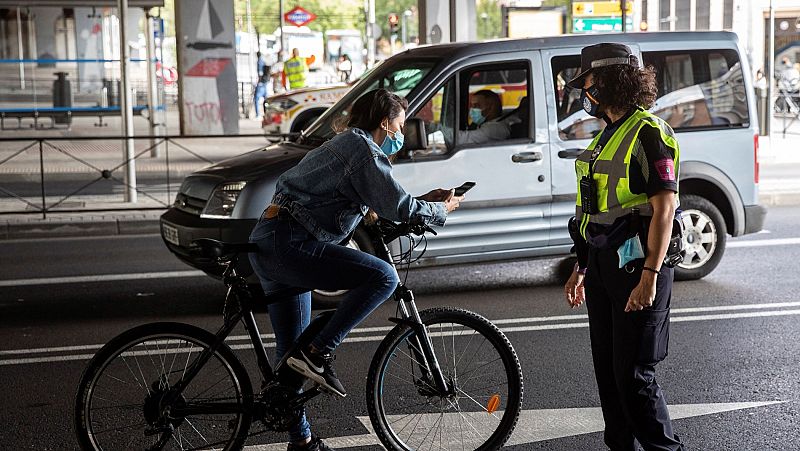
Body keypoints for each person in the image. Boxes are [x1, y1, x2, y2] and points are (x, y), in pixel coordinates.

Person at [248, 88, 463, 451]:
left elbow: (383, 207)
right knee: (383, 277)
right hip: (290, 245)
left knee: (291, 360)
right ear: (385, 122)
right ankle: (320, 351)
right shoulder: (364, 150)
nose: (401, 132)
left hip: (272, 241)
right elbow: (398, 206)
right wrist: (442, 210)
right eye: (400, 124)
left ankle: (301, 441)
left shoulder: (346, 143)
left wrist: (423, 202)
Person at [563, 43, 685, 451]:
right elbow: (594, 210)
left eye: (590, 82)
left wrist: (651, 274)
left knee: (634, 377)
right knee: (610, 378)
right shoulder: (606, 136)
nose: (586, 92)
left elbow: (664, 207)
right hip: (602, 266)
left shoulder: (649, 131)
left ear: (613, 81)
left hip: (637, 269)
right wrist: (581, 267)